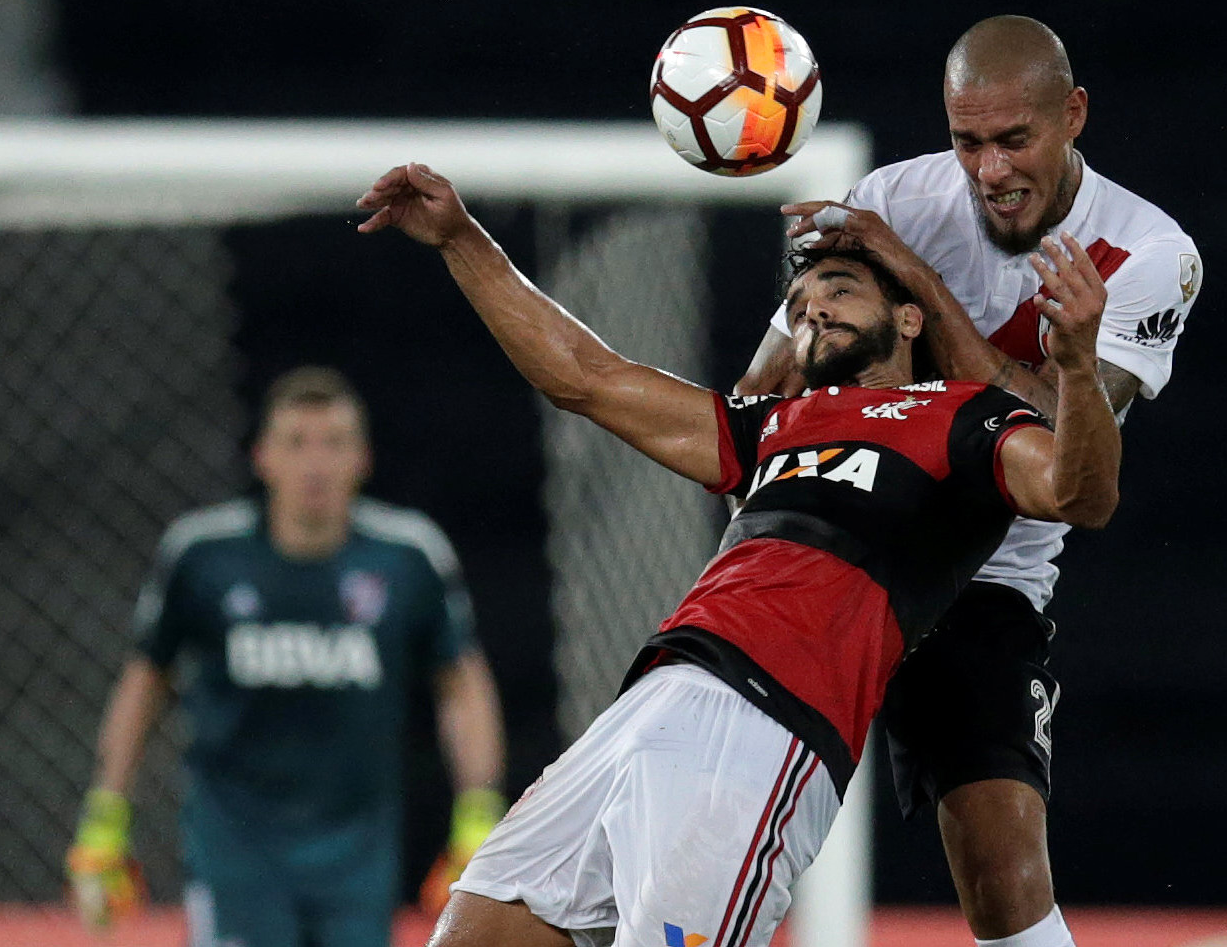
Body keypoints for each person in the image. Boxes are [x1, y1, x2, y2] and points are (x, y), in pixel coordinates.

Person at [354, 161, 1119, 947]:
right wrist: (460, 239)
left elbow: (1079, 495)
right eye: (798, 303)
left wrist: (1079, 367)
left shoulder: (964, 417)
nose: (812, 309)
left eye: (839, 290)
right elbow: (586, 378)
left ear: (911, 316)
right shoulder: (773, 425)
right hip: (646, 702)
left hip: (766, 729)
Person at [737, 15, 1202, 947]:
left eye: (1013, 139)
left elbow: (1064, 446)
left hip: (986, 576)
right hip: (846, 543)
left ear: (1073, 115)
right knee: (714, 823)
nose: (988, 170)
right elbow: (763, 387)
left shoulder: (1151, 255)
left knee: (1004, 873)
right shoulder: (893, 197)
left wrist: (910, 274)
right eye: (966, 141)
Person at [65, 365, 507, 947]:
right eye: (296, 443)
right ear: (263, 457)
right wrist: (104, 819)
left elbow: (461, 683)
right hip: (235, 850)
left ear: (363, 459)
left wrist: (479, 814)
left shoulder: (409, 558)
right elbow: (145, 682)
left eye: (334, 443)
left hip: (358, 852)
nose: (315, 464)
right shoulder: (202, 555)